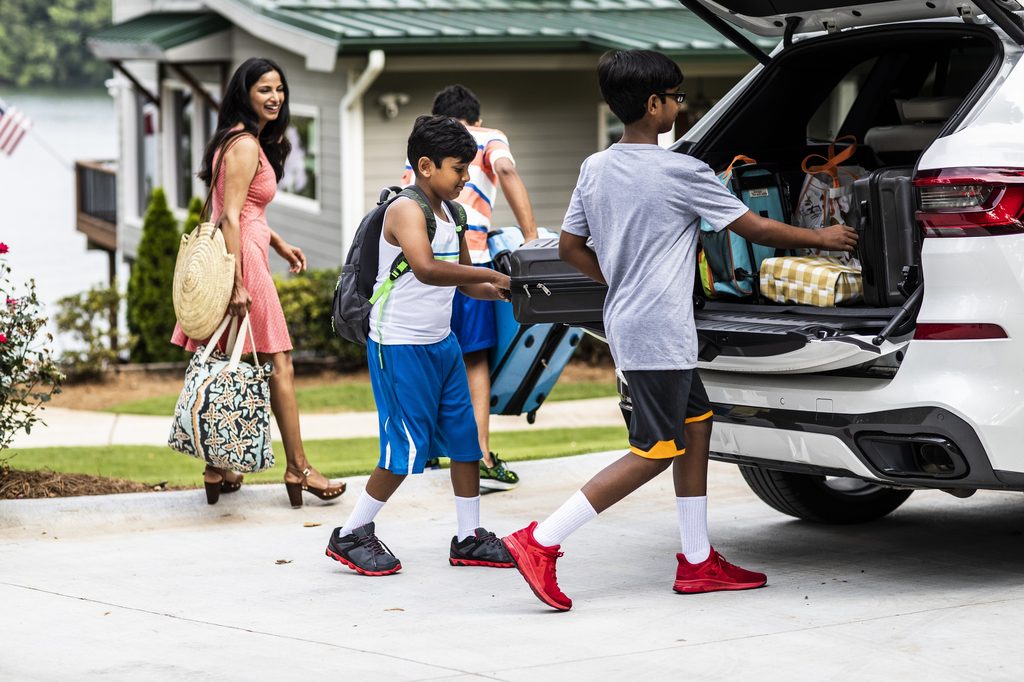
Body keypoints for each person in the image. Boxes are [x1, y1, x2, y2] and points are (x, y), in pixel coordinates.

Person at [502, 49, 859, 610]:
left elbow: (570, 247)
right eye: (676, 97)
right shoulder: (681, 171)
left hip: (635, 323)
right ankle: (540, 541)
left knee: (697, 426)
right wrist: (824, 239)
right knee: (655, 450)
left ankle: (696, 560)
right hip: (660, 333)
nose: (679, 105)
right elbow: (756, 227)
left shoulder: (595, 167)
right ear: (654, 104)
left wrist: (619, 280)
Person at [325, 115, 516, 576]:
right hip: (399, 346)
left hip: (441, 344)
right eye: (458, 168)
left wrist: (510, 291)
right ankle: (350, 533)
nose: (466, 178)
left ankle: (469, 537)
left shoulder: (456, 213)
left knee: (466, 443)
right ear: (426, 166)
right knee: (404, 450)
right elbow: (427, 268)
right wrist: (489, 273)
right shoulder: (405, 210)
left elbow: (467, 287)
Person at [171, 57, 345, 507]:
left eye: (280, 89)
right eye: (264, 89)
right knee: (279, 365)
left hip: (246, 248)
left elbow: (245, 210)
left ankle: (217, 466)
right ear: (244, 93)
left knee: (231, 361)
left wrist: (281, 244)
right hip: (242, 259)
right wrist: (237, 283)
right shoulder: (246, 145)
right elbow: (231, 216)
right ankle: (299, 468)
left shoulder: (232, 139)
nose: (275, 97)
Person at [402, 85, 537, 490]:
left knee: (430, 355)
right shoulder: (491, 138)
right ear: (475, 120)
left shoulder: (421, 155)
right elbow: (508, 171)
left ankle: (424, 450)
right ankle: (480, 453)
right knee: (474, 363)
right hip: (470, 264)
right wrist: (530, 237)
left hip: (422, 273)